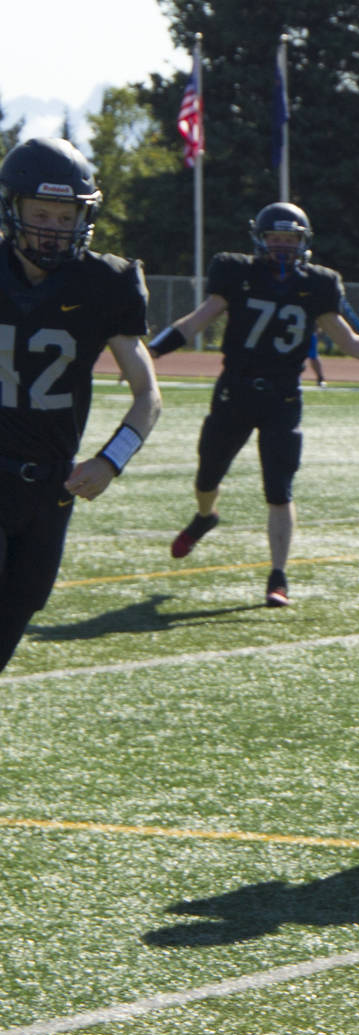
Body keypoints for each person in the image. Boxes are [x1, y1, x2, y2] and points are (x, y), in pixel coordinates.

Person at [152, 202, 359, 606]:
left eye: (290, 239)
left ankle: (278, 576)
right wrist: (153, 352)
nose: (283, 247)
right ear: (260, 240)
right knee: (207, 474)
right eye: (275, 239)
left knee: (279, 490)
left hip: (283, 396)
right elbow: (197, 320)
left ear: (303, 243)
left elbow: (349, 341)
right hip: (235, 389)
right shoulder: (237, 273)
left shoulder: (318, 284)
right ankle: (205, 516)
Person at [0, 136, 162, 674]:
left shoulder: (105, 283)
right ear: (13, 208)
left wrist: (111, 460)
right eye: (39, 212)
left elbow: (148, 397)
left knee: (24, 600)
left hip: (51, 487)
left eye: (64, 216)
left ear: (83, 219)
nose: (50, 227)